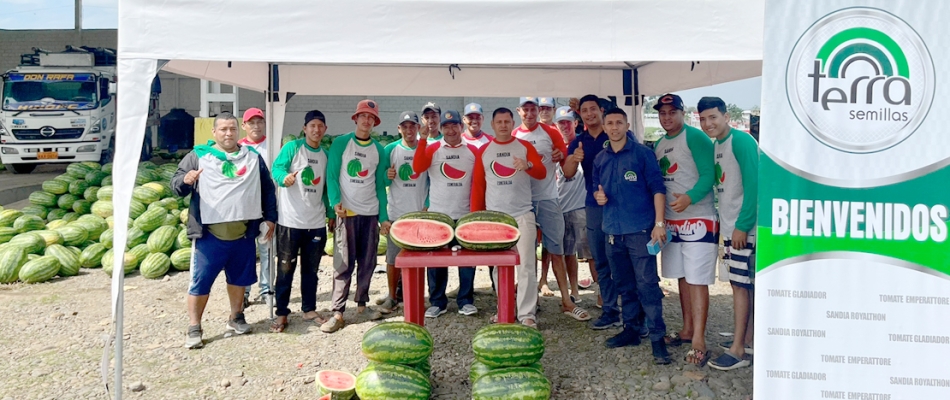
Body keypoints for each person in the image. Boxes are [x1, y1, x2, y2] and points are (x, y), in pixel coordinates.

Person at [171, 112, 278, 349]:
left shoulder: (251, 157)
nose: (228, 134)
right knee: (200, 283)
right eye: (223, 130)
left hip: (242, 235)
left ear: (238, 130)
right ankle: (194, 327)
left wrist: (271, 218)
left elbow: (268, 189)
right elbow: (176, 185)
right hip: (209, 236)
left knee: (239, 280)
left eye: (232, 129)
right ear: (214, 132)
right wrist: (186, 180)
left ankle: (236, 317)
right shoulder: (198, 156)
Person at [592, 108, 671, 364]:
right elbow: (597, 191)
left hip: (639, 231)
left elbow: (658, 189)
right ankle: (632, 330)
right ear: (604, 127)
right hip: (613, 232)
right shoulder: (600, 159)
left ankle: (658, 339)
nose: (614, 127)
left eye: (619, 123)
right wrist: (599, 197)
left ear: (627, 125)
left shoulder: (643, 155)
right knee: (624, 285)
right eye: (610, 123)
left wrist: (659, 223)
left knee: (647, 285)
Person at [652, 93, 718, 367]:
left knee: (697, 278)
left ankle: (700, 340)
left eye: (672, 112)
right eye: (662, 113)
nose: (667, 117)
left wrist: (690, 197)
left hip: (699, 219)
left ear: (682, 113)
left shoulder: (695, 137)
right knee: (681, 277)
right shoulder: (658, 143)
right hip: (671, 221)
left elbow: (709, 175)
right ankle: (687, 328)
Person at [513, 97, 588, 322]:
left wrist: (566, 157)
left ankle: (566, 300)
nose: (529, 113)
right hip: (522, 201)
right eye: (525, 109)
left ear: (539, 111)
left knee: (557, 250)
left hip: (548, 198)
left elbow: (566, 170)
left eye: (533, 109)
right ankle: (529, 301)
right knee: (526, 253)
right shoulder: (514, 135)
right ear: (519, 111)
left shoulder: (551, 132)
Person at [471, 107, 546, 327]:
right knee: (498, 268)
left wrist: (528, 165)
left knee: (526, 267)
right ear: (492, 125)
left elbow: (541, 172)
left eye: (507, 121)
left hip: (523, 214)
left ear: (513, 124)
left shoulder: (524, 147)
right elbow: (478, 186)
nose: (503, 125)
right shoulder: (484, 150)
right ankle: (504, 309)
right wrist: (476, 219)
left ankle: (527, 314)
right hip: (496, 219)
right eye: (499, 122)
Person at [698, 97, 758, 371]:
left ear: (725, 116)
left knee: (740, 286)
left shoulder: (742, 141)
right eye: (703, 119)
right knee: (740, 284)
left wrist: (743, 226)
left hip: (744, 229)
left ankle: (738, 350)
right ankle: (748, 338)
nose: (708, 123)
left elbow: (754, 185)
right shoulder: (716, 145)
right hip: (731, 225)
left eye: (713, 117)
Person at [324, 99, 390, 333]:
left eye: (371, 117)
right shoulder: (342, 143)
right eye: (363, 116)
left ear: (374, 122)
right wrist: (334, 204)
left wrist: (384, 218)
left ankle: (362, 305)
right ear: (355, 119)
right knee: (342, 263)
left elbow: (381, 185)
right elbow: (331, 177)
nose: (366, 120)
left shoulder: (379, 149)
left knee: (368, 262)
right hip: (347, 213)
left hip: (370, 213)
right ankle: (338, 311)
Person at [267, 110, 333, 333]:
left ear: (324, 130)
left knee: (311, 270)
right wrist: (283, 178)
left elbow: (325, 188)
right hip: (290, 221)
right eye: (312, 125)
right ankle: (282, 312)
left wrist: (331, 215)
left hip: (315, 222)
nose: (316, 130)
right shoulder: (293, 148)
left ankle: (309, 309)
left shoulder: (325, 155)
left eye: (320, 126)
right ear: (305, 128)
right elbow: (277, 168)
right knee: (285, 269)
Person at [413, 109, 480, 317]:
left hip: (464, 215)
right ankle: (437, 302)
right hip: (438, 216)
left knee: (467, 260)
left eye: (454, 125)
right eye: (446, 126)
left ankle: (465, 300)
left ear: (462, 127)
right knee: (435, 261)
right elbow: (417, 166)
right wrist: (422, 140)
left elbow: (479, 183)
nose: (450, 130)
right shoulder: (433, 149)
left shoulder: (473, 151)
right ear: (440, 129)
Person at [563, 95, 616, 326]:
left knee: (622, 257)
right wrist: (575, 159)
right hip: (593, 205)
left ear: (601, 110)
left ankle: (633, 310)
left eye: (593, 109)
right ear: (580, 115)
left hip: (620, 206)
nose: (589, 114)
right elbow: (566, 172)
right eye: (584, 110)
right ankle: (608, 306)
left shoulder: (613, 131)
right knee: (599, 258)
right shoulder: (579, 141)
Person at [378, 111, 430, 314]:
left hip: (419, 213)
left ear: (418, 128)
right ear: (399, 129)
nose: (409, 130)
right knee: (392, 259)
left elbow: (432, 180)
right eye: (404, 126)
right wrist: (386, 176)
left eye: (413, 126)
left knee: (419, 257)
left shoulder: (425, 149)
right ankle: (392, 296)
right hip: (396, 213)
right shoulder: (390, 149)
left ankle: (417, 295)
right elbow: (379, 182)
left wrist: (427, 202)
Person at [545, 106, 589, 306]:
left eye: (567, 122)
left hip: (579, 207)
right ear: (555, 124)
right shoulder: (552, 147)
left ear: (575, 123)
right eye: (560, 122)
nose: (564, 125)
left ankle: (581, 291)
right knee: (558, 251)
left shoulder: (582, 144)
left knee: (582, 253)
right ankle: (557, 286)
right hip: (556, 207)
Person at [238, 107, 273, 309]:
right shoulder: (238, 147)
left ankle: (266, 289)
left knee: (267, 249)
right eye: (251, 122)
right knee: (245, 252)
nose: (256, 126)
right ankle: (244, 292)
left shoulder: (273, 144)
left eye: (259, 121)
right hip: (244, 208)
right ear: (244, 126)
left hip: (266, 207)